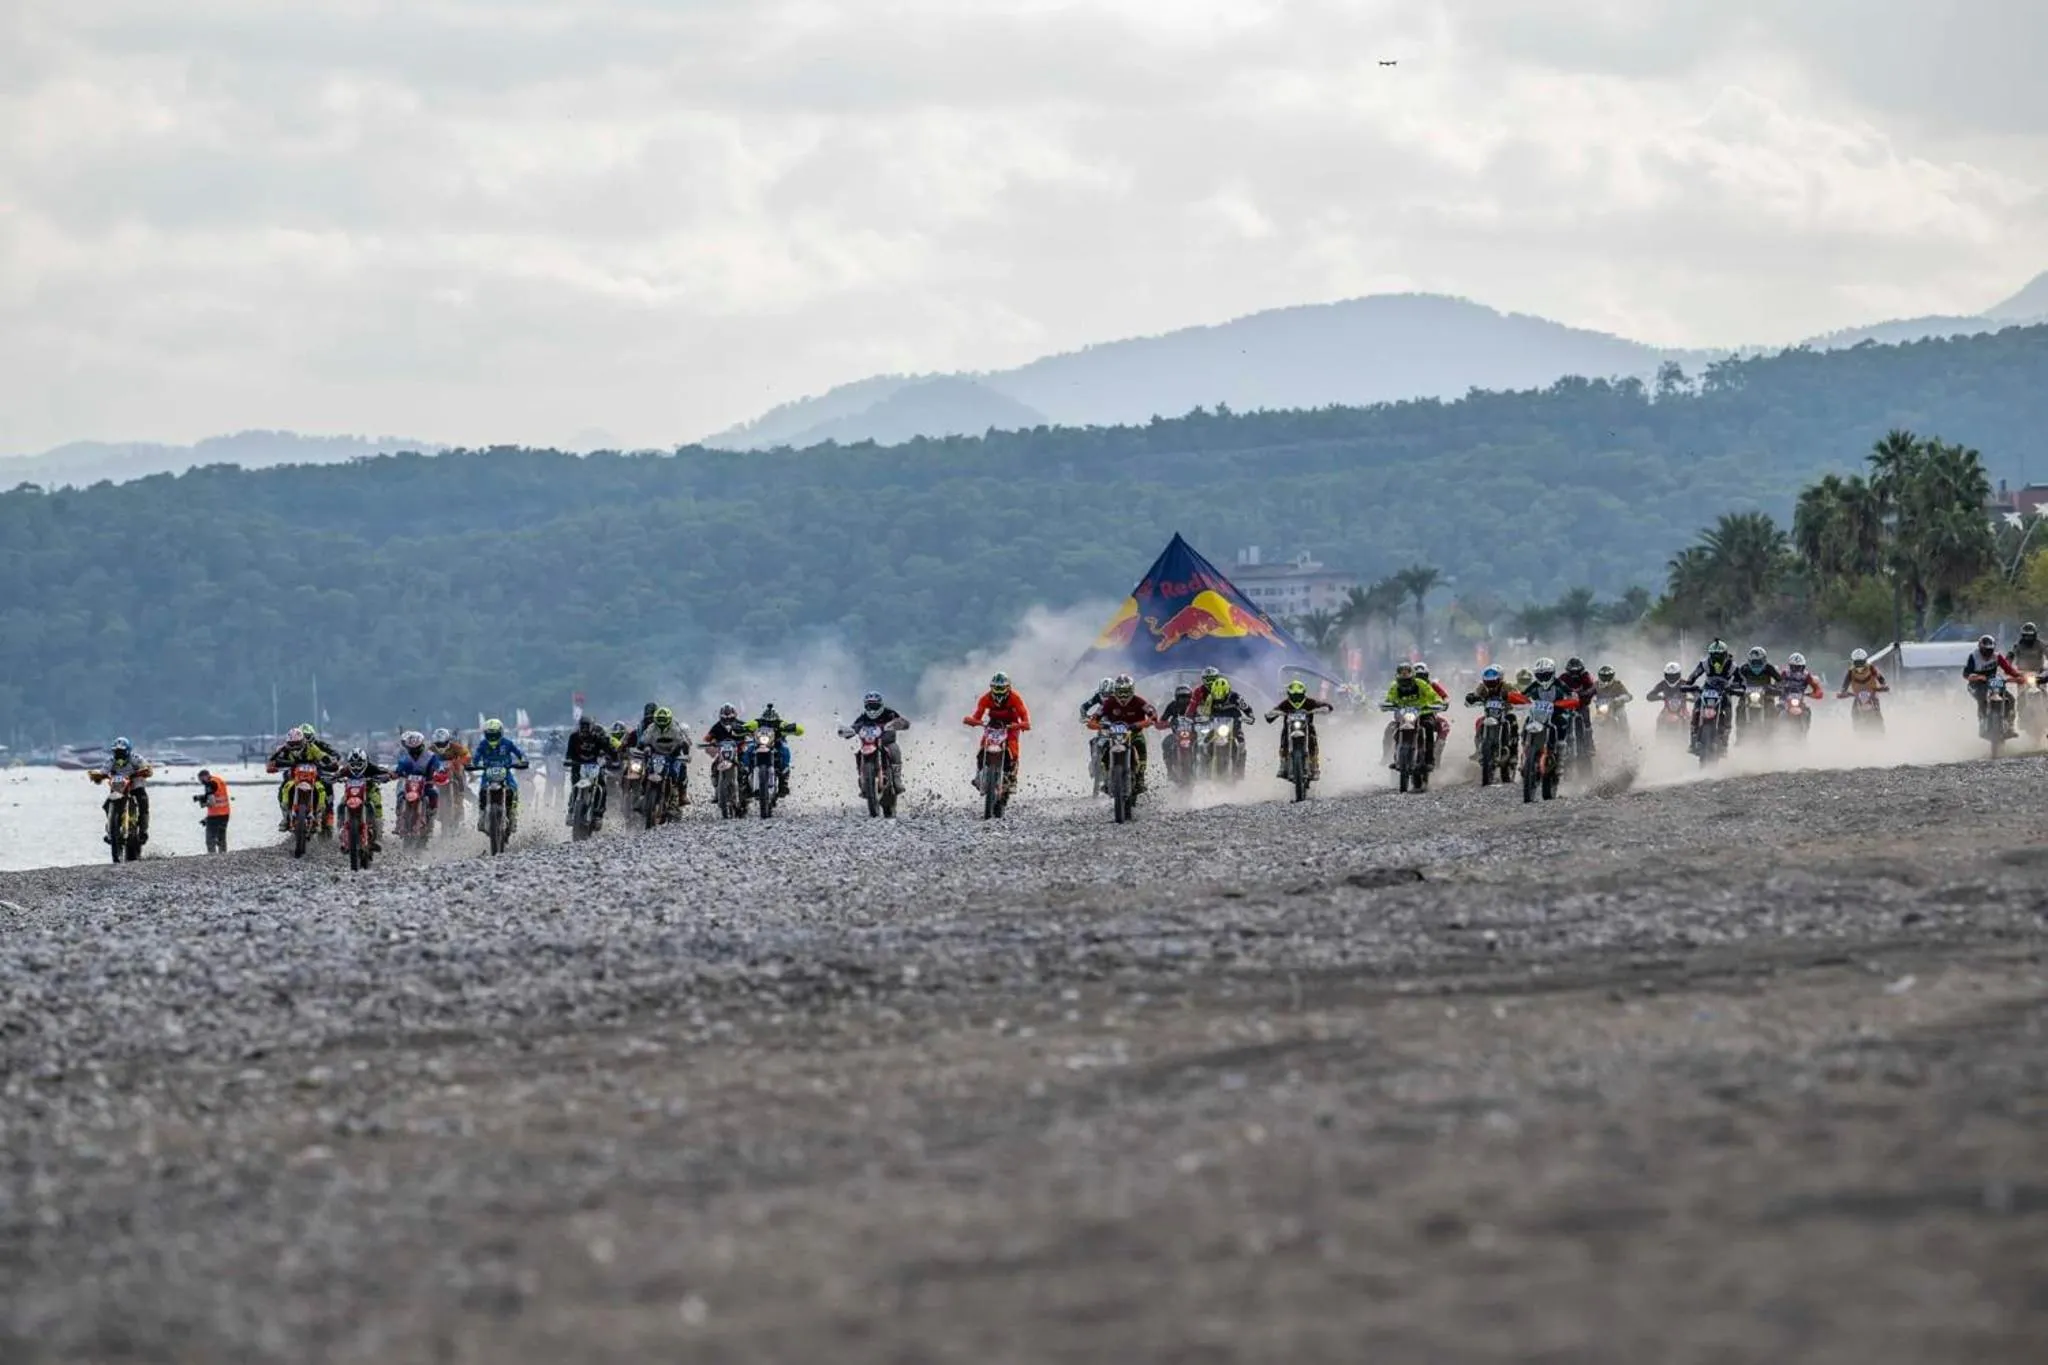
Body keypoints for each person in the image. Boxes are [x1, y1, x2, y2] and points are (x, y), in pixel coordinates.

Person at [962, 671, 1032, 793]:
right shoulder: (986, 698)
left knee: (1013, 747)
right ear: (991, 687)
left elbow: (1024, 715)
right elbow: (977, 715)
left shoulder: (1015, 698)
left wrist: (1023, 724)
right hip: (993, 724)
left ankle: (1012, 778)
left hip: (1011, 725)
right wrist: (973, 721)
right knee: (983, 744)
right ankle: (979, 774)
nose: (999, 691)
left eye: (1001, 688)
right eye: (996, 688)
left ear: (1008, 688)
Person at [1088, 674, 1157, 792]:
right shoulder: (1109, 702)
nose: (1123, 696)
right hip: (1113, 735)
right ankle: (1105, 776)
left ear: (1132, 690)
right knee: (1103, 748)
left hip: (1134, 733)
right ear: (1115, 691)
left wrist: (1143, 723)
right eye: (1120, 692)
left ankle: (1140, 778)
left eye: (1126, 692)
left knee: (1141, 744)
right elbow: (1093, 720)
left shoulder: (1139, 701)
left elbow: (1153, 715)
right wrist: (1101, 725)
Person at [836, 692, 912, 795]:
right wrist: (847, 731)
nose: (872, 709)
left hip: (887, 742)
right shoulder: (863, 717)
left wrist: (898, 724)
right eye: (869, 706)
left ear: (880, 705)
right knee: (859, 754)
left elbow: (903, 722)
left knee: (894, 750)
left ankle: (897, 779)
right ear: (865, 706)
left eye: (874, 706)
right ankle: (863, 779)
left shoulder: (889, 713)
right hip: (869, 743)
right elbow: (854, 727)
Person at [266, 726, 339, 831]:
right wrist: (275, 764)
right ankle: (285, 817)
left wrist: (330, 763)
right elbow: (273, 759)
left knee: (322, 789)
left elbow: (322, 755)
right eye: (292, 744)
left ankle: (321, 816)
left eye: (297, 744)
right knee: (284, 789)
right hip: (294, 778)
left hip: (313, 778)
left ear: (303, 741)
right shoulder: (284, 749)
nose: (295, 747)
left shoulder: (312, 747)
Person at [87, 738, 154, 846]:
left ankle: (143, 831)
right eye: (116, 752)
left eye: (121, 752)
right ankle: (111, 830)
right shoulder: (111, 761)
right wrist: (97, 775)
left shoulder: (136, 758)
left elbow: (147, 768)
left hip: (136, 787)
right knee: (107, 805)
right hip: (118, 788)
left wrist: (145, 771)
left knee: (143, 803)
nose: (119, 754)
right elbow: (103, 771)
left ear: (127, 751)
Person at [1266, 678, 1335, 778]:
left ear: (1303, 693)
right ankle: (1283, 763)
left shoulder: (1309, 702)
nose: (1296, 698)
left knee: (1312, 737)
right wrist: (1272, 714)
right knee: (1284, 736)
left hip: (1307, 727)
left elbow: (1325, 706)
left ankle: (1314, 764)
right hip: (1289, 728)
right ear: (1289, 694)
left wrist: (1324, 708)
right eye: (1294, 695)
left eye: (1298, 695)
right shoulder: (1286, 703)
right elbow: (1273, 713)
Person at [469, 718, 528, 832]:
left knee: (514, 789)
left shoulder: (507, 743)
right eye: (490, 735)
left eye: (495, 735)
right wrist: (472, 764)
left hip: (505, 772)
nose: (492, 737)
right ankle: (482, 815)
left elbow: (519, 753)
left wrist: (523, 760)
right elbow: (476, 757)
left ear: (500, 733)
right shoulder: (483, 744)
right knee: (482, 791)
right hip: (488, 773)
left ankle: (513, 814)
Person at [1381, 661, 1444, 768]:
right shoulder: (1394, 686)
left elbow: (1433, 695)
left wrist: (1437, 703)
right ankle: (1394, 757)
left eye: (1407, 672)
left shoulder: (1421, 684)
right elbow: (1389, 698)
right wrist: (1386, 705)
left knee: (1428, 726)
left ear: (1412, 673)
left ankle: (1429, 760)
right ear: (1397, 674)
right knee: (1393, 729)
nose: (1404, 675)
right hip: (1404, 715)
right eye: (1402, 672)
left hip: (1423, 712)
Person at [561, 715, 617, 825]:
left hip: (594, 765)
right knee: (574, 786)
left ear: (592, 727)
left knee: (602, 786)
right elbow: (569, 753)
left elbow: (609, 749)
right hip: (578, 765)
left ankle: (598, 814)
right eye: (582, 726)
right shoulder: (574, 737)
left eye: (587, 726)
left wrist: (614, 759)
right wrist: (567, 760)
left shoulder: (598, 737)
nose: (585, 729)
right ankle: (571, 810)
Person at [1462, 666, 1528, 758]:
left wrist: (1510, 698)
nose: (1491, 684)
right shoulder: (1482, 687)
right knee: (1479, 722)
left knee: (1512, 720)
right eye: (1488, 681)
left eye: (1493, 681)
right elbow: (1474, 696)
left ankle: (1513, 753)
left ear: (1500, 679)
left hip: (1504, 714)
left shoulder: (1508, 686)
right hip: (1488, 715)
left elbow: (1520, 697)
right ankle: (1478, 749)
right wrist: (1471, 698)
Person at [337, 748, 397, 850]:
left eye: (359, 764)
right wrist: (333, 777)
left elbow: (382, 770)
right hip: (351, 793)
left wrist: (389, 774)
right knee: (341, 804)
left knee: (376, 803)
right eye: (353, 764)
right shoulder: (346, 769)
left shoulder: (371, 767)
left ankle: (377, 834)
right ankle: (341, 828)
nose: (356, 767)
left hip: (369, 791)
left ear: (365, 762)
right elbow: (338, 774)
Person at [1963, 634, 2022, 733]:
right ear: (1980, 648)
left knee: (2011, 699)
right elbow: (1965, 674)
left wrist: (2019, 676)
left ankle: (2010, 724)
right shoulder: (1973, 657)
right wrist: (1978, 677)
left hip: (1992, 681)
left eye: (1990, 650)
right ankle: (1982, 720)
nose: (1987, 652)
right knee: (1982, 697)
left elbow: (2009, 670)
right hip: (1976, 684)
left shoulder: (1997, 656)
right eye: (1985, 650)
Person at [639, 706, 694, 810]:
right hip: (656, 755)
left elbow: (684, 741)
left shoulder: (675, 728)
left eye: (664, 719)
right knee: (646, 769)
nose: (662, 721)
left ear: (669, 718)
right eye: (659, 719)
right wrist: (643, 747)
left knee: (681, 768)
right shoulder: (651, 728)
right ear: (655, 718)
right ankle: (642, 791)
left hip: (672, 755)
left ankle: (682, 795)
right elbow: (643, 739)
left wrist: (685, 753)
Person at [746, 704, 805, 799]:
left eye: (772, 722)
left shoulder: (781, 724)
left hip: (776, 745)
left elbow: (800, 730)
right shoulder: (757, 723)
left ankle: (784, 781)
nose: (769, 722)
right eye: (767, 721)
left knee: (785, 750)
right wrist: (741, 728)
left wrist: (792, 727)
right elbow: (746, 726)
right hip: (758, 745)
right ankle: (744, 774)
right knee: (748, 748)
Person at [391, 730, 445, 833]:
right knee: (401, 795)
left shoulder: (431, 756)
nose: (414, 751)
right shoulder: (405, 758)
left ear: (422, 745)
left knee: (434, 793)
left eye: (417, 748)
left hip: (427, 783)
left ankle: (431, 813)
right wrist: (393, 774)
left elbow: (439, 766)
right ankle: (399, 819)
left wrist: (440, 772)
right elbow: (399, 770)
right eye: (412, 749)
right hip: (409, 785)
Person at [1556, 657, 1601, 756]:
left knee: (1587, 723)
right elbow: (1556, 686)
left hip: (1581, 705)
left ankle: (1590, 744)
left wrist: (1586, 693)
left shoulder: (1586, 676)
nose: (1574, 674)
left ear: (1581, 670)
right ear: (1568, 670)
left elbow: (1592, 687)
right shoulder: (1563, 677)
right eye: (1572, 672)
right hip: (1566, 707)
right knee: (1557, 721)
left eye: (1577, 671)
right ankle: (1557, 744)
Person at [429, 727, 471, 823]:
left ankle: (461, 791)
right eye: (438, 744)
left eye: (443, 743)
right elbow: (426, 758)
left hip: (454, 771)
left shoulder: (455, 747)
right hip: (439, 773)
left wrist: (461, 761)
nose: (441, 745)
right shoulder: (431, 749)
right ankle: (433, 806)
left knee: (460, 772)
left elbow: (466, 754)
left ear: (448, 740)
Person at [193, 767, 231, 853]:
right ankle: (223, 855)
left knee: (210, 839)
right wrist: (202, 797)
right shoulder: (218, 780)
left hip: (214, 816)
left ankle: (212, 856)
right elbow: (217, 794)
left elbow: (212, 802)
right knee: (221, 838)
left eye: (201, 780)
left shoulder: (209, 784)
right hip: (225, 813)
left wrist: (203, 804)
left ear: (204, 776)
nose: (201, 782)